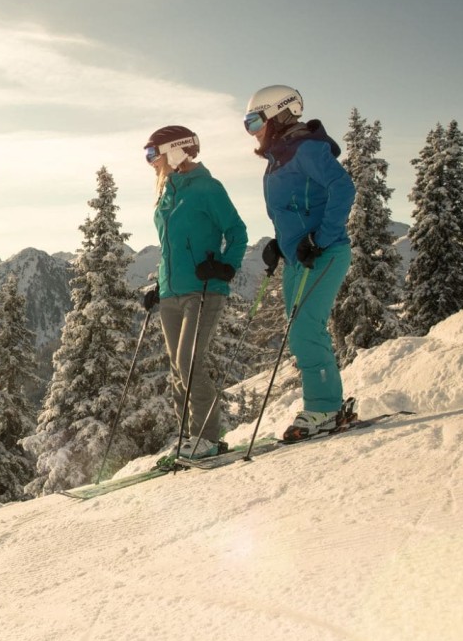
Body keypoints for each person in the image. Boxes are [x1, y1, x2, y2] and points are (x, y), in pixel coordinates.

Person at [244, 85, 357, 439]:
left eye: (254, 121)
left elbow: (343, 187)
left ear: (278, 114)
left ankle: (324, 408)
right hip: (299, 258)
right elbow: (295, 207)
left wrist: (319, 238)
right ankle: (326, 404)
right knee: (299, 331)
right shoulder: (279, 157)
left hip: (323, 253)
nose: (252, 130)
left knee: (307, 327)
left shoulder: (306, 148)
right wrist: (281, 243)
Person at [142, 125, 248, 458]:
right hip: (172, 293)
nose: (150, 162)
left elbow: (238, 232)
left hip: (204, 289)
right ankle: (189, 437)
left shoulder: (207, 189)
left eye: (152, 154)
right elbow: (170, 247)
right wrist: (159, 284)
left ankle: (208, 437)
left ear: (176, 150)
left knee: (189, 363)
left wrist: (225, 266)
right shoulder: (168, 192)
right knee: (177, 367)